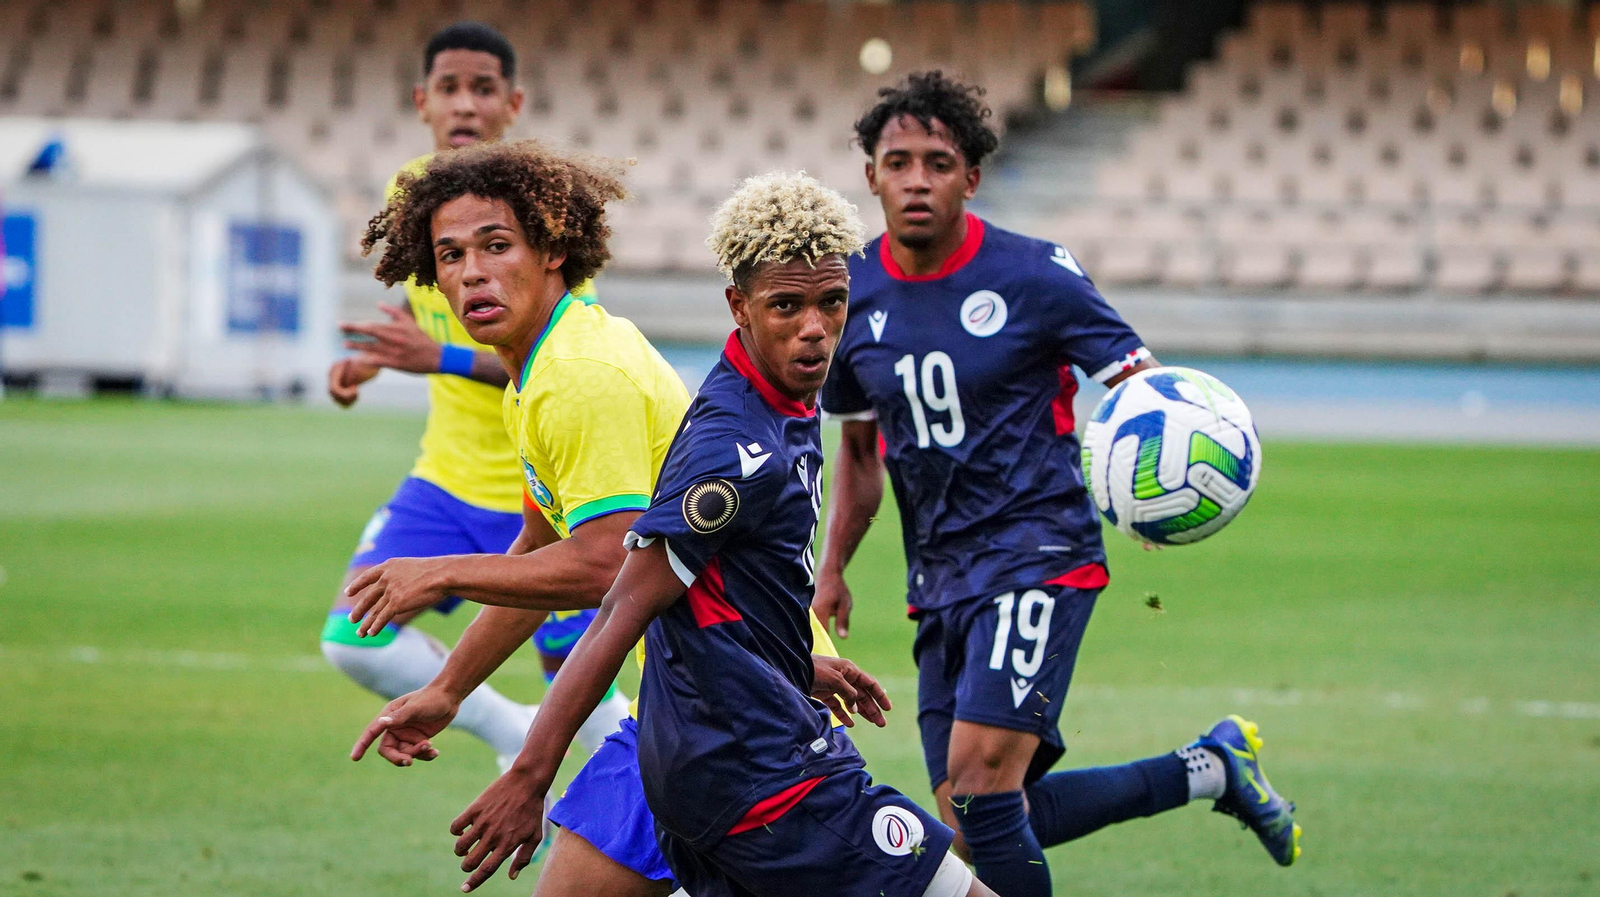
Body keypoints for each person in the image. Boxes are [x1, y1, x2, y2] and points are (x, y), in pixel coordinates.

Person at [438, 170, 995, 897]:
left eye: (831, 303)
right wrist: (529, 773)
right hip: (762, 777)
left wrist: (790, 659)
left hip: (723, 746)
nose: (815, 328)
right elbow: (619, 605)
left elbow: (717, 589)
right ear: (739, 306)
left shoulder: (783, 399)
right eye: (786, 306)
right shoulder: (732, 449)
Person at [812, 72, 1302, 897]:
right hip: (940, 575)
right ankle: (1210, 769)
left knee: (978, 788)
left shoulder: (1034, 275)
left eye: (939, 161)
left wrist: (1148, 491)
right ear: (871, 175)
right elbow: (860, 453)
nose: (918, 179)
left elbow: (1146, 389)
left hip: (1039, 551)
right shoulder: (850, 292)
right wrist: (834, 570)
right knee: (975, 816)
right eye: (899, 161)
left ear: (971, 175)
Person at [347, 156, 890, 897]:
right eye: (451, 255)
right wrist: (449, 687)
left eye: (497, 245)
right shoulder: (539, 375)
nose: (473, 272)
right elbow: (543, 553)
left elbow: (607, 566)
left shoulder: (581, 375)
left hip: (739, 699)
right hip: (690, 689)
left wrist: (437, 570)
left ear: (553, 249)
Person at [319, 22, 628, 767]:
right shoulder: (410, 196)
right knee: (352, 639)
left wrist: (434, 357)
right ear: (423, 101)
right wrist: (383, 355)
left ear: (511, 103)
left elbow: (550, 353)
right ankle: (506, 730)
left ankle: (657, 841)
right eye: (449, 89)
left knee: (582, 687)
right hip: (447, 480)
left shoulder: (542, 206)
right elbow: (434, 315)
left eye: (482, 88)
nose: (465, 104)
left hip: (547, 495)